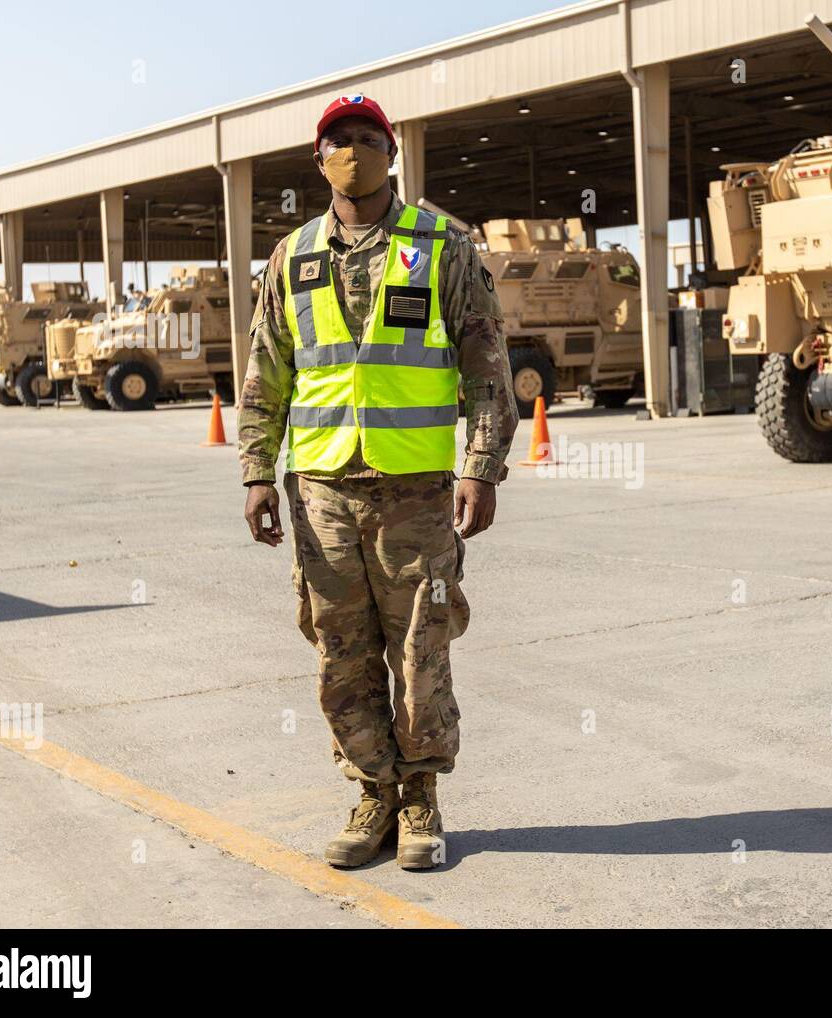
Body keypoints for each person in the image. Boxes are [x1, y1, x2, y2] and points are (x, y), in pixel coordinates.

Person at [237, 94, 517, 871]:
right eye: (339, 141)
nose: (353, 151)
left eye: (367, 139)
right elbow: (267, 372)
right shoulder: (291, 256)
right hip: (321, 489)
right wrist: (258, 471)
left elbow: (486, 364)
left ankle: (422, 796)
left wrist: (482, 465)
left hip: (416, 489)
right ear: (317, 160)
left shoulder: (442, 247)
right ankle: (372, 792)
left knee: (422, 646)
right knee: (340, 650)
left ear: (392, 155)